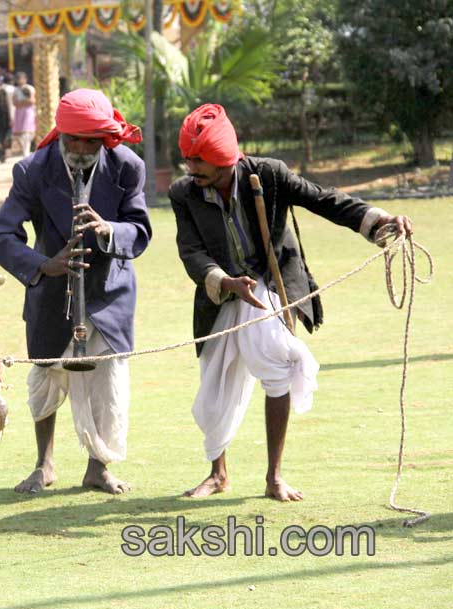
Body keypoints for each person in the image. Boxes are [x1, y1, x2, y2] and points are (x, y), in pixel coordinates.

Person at [168, 103, 414, 501]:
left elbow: (325, 200)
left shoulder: (268, 174)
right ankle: (218, 474)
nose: (192, 169)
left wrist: (381, 220)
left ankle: (274, 477)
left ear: (224, 158)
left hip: (274, 286)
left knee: (278, 362)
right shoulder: (184, 193)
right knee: (214, 389)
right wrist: (226, 282)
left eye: (200, 162)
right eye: (188, 161)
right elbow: (192, 252)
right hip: (223, 294)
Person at [0, 89, 152, 495]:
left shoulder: (128, 166)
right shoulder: (32, 170)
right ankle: (44, 465)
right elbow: (2, 236)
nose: (81, 149)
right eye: (73, 140)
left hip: (109, 295)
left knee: (108, 380)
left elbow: (141, 228)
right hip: (50, 291)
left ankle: (99, 468)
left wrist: (107, 229)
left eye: (90, 141)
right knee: (45, 378)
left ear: (103, 140)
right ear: (60, 135)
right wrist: (44, 264)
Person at [11, 72, 36, 157]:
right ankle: (25, 151)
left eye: (22, 78)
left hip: (28, 112)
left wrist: (21, 103)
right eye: (19, 79)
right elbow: (14, 102)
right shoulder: (15, 90)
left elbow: (32, 101)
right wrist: (24, 103)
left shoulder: (30, 88)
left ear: (25, 79)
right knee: (20, 134)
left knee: (27, 132)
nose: (20, 80)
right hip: (19, 113)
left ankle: (27, 152)